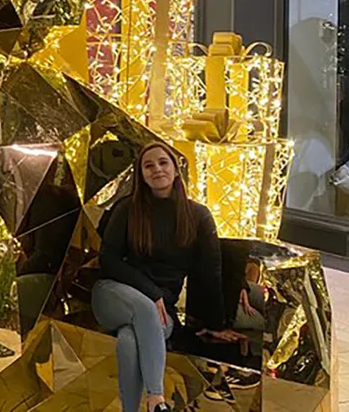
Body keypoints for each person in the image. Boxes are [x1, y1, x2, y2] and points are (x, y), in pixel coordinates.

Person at [93, 142, 244, 412]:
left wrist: (215, 323)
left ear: (175, 170)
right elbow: (108, 260)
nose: (156, 169)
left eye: (163, 162)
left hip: (161, 310)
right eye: (148, 165)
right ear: (141, 175)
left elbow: (210, 273)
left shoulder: (197, 216)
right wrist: (152, 292)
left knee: (129, 340)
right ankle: (156, 399)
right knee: (144, 307)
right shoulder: (127, 209)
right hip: (113, 295)